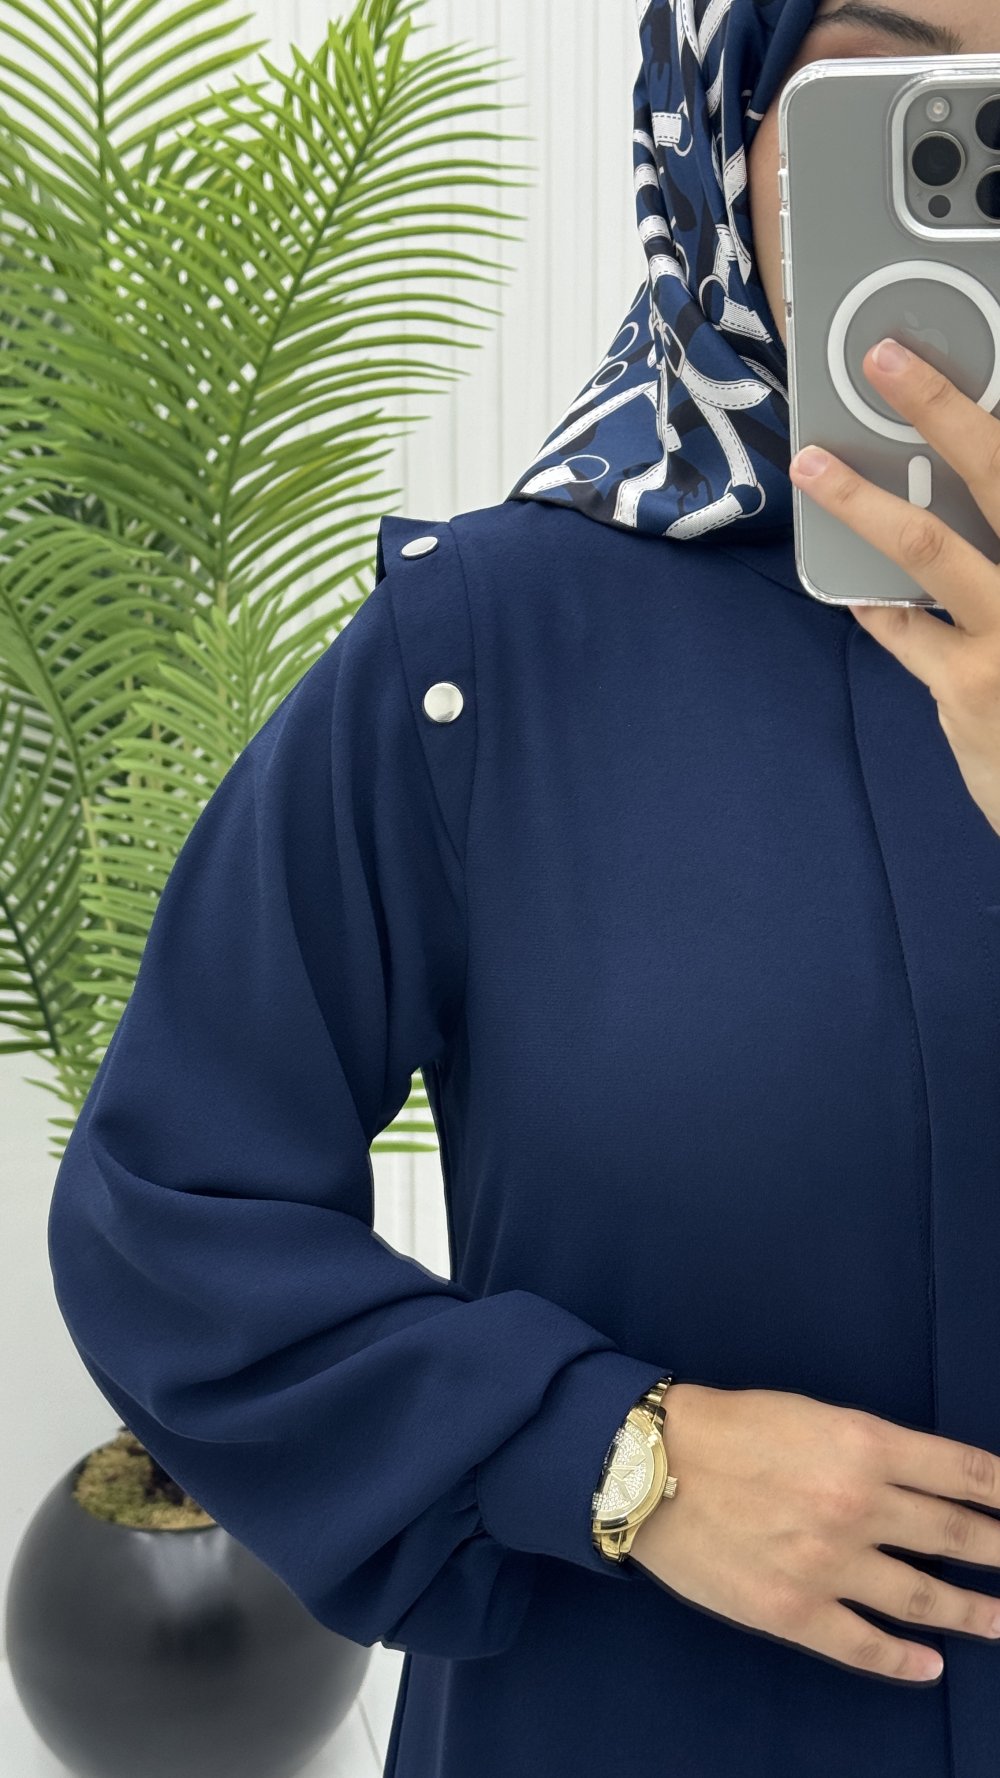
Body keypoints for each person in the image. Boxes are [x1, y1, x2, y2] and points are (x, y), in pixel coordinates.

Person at [46, 1, 1000, 1773]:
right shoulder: (486, 653)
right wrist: (614, 1451)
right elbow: (166, 1209)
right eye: (890, 86)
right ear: (720, 127)